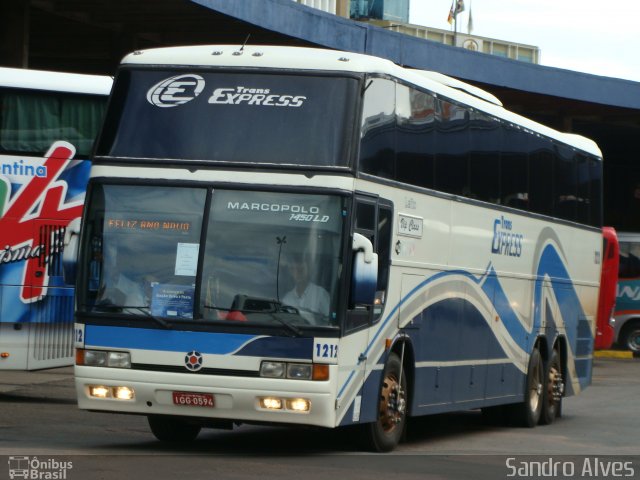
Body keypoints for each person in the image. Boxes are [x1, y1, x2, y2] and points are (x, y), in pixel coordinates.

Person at [282, 253, 330, 324]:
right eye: (293, 269)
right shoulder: (286, 299)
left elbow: (329, 321)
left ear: (308, 269)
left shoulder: (320, 294)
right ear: (290, 272)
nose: (297, 273)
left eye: (301, 269)